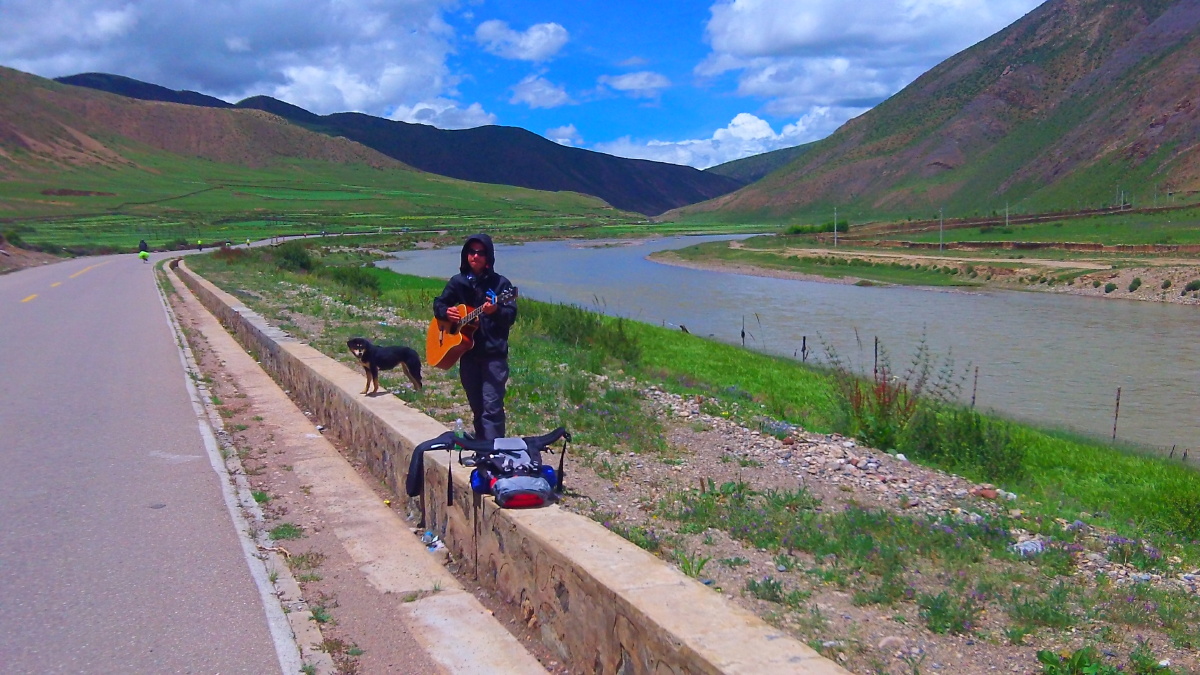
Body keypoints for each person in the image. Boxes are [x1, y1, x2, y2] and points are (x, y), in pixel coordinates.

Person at [432, 234, 517, 441]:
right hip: (468, 354)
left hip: (493, 356)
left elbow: (510, 316)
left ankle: (494, 452)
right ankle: (482, 448)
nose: (475, 256)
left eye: (480, 252)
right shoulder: (458, 282)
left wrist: (495, 310)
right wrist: (446, 312)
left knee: (492, 408)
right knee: (477, 407)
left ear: (488, 256)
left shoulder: (501, 285)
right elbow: (439, 303)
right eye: (471, 252)